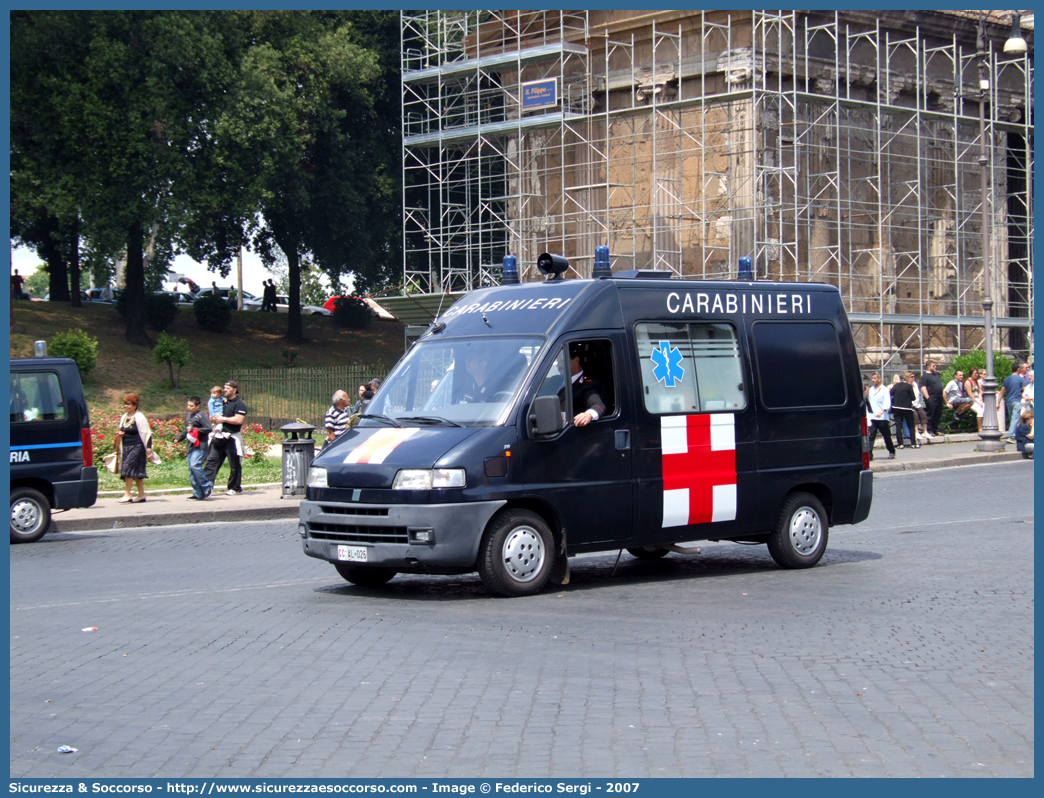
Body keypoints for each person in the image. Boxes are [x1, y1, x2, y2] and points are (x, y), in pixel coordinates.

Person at [204, 381, 248, 495]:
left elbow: (239, 420)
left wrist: (223, 419)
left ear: (234, 390)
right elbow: (213, 416)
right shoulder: (221, 402)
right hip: (219, 437)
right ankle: (206, 487)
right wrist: (214, 419)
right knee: (211, 462)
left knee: (234, 464)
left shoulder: (239, 404)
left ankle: (235, 487)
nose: (225, 390)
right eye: (224, 388)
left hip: (231, 438)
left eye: (228, 388)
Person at [115, 393, 152, 503]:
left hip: (137, 447)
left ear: (135, 405)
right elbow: (123, 430)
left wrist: (149, 450)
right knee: (136, 472)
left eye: (129, 404)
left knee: (128, 468)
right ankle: (141, 495)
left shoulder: (139, 417)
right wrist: (120, 434)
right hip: (126, 446)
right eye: (125, 404)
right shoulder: (124, 417)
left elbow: (147, 433)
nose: (127, 406)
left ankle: (127, 494)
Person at [175, 396, 213, 500]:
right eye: (188, 405)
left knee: (195, 465)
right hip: (191, 446)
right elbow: (186, 430)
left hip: (200, 446)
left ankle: (207, 486)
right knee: (191, 471)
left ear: (198, 406)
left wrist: (195, 429)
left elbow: (209, 428)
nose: (189, 407)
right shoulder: (189, 416)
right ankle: (198, 493)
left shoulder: (201, 416)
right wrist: (178, 438)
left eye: (191, 406)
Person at [568, 342, 606, 427]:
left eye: (562, 361)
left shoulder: (587, 385)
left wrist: (588, 415)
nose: (558, 365)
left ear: (576, 361)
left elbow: (598, 405)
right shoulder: (554, 380)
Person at [866, 372, 896, 459]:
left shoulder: (884, 390)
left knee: (886, 436)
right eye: (873, 378)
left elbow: (887, 402)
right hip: (872, 417)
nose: (873, 380)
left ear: (880, 379)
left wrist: (882, 411)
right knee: (871, 436)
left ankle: (891, 451)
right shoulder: (871, 390)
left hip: (882, 417)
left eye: (875, 378)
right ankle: (869, 453)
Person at [890, 372, 919, 448]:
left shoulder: (895, 386)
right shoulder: (908, 386)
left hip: (897, 408)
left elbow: (890, 394)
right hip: (907, 408)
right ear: (906, 378)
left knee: (898, 425)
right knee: (911, 425)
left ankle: (900, 444)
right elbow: (913, 398)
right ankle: (913, 443)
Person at [1001, 362, 1028, 440]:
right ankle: (1011, 436)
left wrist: (998, 402)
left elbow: (1002, 391)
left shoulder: (1007, 379)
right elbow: (1025, 391)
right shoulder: (1021, 379)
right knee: (1015, 418)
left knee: (1011, 418)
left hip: (1009, 401)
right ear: (1019, 369)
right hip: (1017, 400)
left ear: (1011, 370)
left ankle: (1014, 434)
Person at [920, 360, 944, 438]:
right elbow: (923, 387)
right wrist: (928, 398)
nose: (935, 367)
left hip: (939, 397)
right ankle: (929, 430)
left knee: (938, 413)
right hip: (931, 397)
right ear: (928, 367)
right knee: (930, 414)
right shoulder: (925, 376)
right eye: (933, 366)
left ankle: (935, 429)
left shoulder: (936, 375)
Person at [908, 372, 929, 441]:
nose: (913, 378)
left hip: (917, 404)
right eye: (911, 377)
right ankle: (916, 432)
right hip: (910, 405)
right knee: (915, 416)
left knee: (923, 415)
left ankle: (925, 432)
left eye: (913, 377)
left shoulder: (915, 384)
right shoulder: (907, 385)